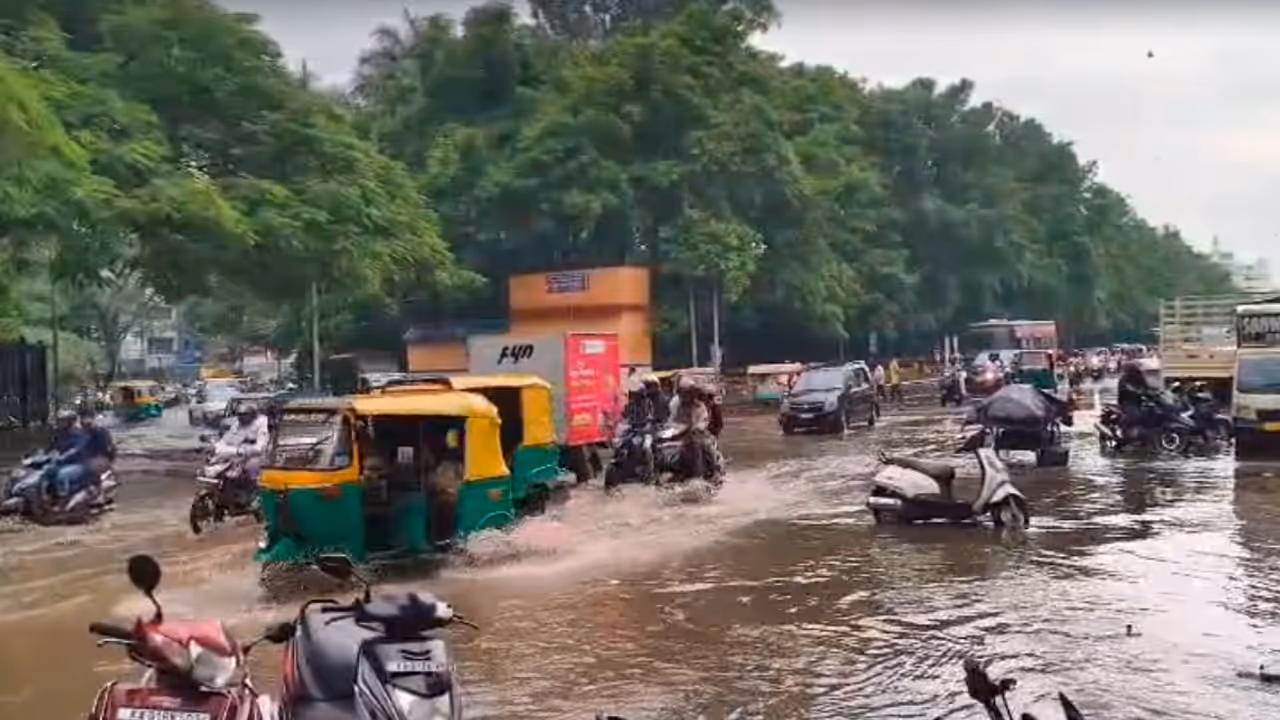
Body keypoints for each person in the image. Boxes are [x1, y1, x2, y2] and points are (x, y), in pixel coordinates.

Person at [213, 402, 271, 503]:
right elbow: (226, 438)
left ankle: (253, 495)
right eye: (239, 415)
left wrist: (250, 450)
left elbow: (261, 445)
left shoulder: (261, 423)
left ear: (252, 415)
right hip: (237, 454)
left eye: (244, 415)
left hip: (256, 456)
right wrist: (217, 446)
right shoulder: (237, 425)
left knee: (251, 469)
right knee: (221, 466)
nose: (241, 417)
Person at [671, 376, 720, 481]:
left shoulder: (700, 406)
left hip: (698, 435)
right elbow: (673, 420)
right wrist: (674, 429)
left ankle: (714, 470)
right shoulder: (677, 405)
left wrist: (696, 427)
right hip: (681, 435)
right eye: (683, 393)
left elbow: (704, 421)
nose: (685, 396)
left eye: (687, 393)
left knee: (706, 446)